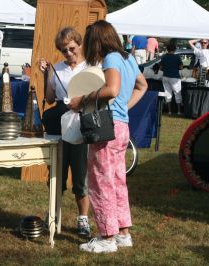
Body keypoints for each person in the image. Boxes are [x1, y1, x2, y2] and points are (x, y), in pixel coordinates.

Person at [67, 20, 147, 253]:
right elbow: (142, 86)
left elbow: (111, 89)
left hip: (106, 129)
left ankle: (107, 236)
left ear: (98, 41)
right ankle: (123, 233)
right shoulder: (128, 58)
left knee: (101, 182)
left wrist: (82, 99)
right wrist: (123, 109)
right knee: (117, 181)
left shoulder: (111, 58)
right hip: (121, 127)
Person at [39, 27, 91, 237]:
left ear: (79, 45)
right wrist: (46, 76)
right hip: (59, 125)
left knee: (80, 176)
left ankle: (83, 219)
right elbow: (50, 99)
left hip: (80, 125)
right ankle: (52, 216)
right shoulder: (58, 68)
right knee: (57, 174)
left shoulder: (90, 67)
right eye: (63, 50)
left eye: (71, 48)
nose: (68, 54)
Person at [160, 43, 183, 115]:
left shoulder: (164, 57)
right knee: (177, 94)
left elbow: (161, 68)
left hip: (165, 76)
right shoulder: (177, 57)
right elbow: (181, 67)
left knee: (168, 94)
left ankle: (169, 111)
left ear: (167, 49)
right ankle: (179, 111)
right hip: (175, 77)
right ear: (174, 49)